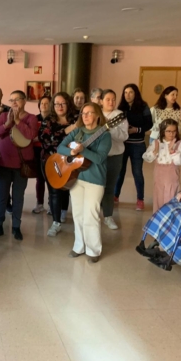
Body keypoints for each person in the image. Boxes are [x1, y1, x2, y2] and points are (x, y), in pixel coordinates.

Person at [58, 102, 111, 263]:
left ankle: (93, 249)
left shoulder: (104, 135)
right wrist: (71, 151)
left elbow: (100, 158)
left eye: (89, 113)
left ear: (97, 115)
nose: (85, 116)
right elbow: (60, 147)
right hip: (76, 177)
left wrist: (83, 150)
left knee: (91, 215)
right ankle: (79, 246)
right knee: (78, 215)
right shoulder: (78, 131)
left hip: (95, 180)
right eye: (83, 113)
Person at [0, 90, 38, 241]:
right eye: (11, 100)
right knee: (1, 197)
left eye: (17, 99)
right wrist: (7, 125)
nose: (14, 103)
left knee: (18, 197)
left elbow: (30, 135)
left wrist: (17, 121)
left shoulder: (31, 118)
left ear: (24, 101)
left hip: (21, 166)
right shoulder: (4, 116)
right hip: (4, 163)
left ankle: (16, 227)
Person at [39, 92, 77, 236]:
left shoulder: (76, 119)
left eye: (63, 103)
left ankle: (64, 213)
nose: (60, 106)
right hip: (51, 160)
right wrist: (67, 130)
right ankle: (56, 222)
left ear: (68, 104)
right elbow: (46, 139)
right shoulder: (48, 120)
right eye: (56, 104)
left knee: (68, 189)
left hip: (71, 162)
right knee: (54, 191)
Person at [114, 83, 152, 211]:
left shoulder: (143, 107)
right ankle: (115, 196)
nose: (127, 95)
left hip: (138, 145)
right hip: (123, 144)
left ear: (135, 93)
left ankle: (140, 200)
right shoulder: (121, 108)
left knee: (137, 173)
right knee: (120, 172)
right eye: (125, 92)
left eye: (130, 92)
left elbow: (149, 124)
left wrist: (137, 130)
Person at [143, 119, 181, 213]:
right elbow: (146, 157)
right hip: (159, 177)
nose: (171, 134)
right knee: (159, 197)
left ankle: (169, 220)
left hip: (172, 177)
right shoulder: (156, 143)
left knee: (170, 197)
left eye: (174, 131)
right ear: (163, 131)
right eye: (168, 131)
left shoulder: (180, 144)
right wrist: (155, 152)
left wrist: (173, 152)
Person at [100, 89, 128, 230]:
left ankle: (108, 217)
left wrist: (109, 129)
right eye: (108, 99)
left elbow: (124, 136)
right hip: (98, 157)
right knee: (97, 187)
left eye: (113, 99)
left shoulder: (119, 116)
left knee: (110, 187)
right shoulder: (96, 114)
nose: (111, 102)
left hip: (115, 156)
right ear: (101, 101)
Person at [32, 96, 51, 214]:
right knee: (40, 178)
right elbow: (31, 136)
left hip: (49, 152)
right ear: (39, 106)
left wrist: (39, 138)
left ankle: (51, 205)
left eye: (46, 103)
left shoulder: (54, 120)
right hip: (36, 151)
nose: (44, 105)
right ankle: (39, 204)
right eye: (42, 103)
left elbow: (52, 137)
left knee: (50, 178)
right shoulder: (34, 119)